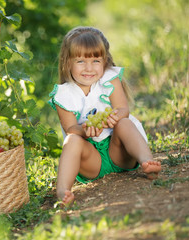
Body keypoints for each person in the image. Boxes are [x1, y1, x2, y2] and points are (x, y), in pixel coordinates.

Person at [48, 26, 162, 206]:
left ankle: (147, 161)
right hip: (92, 161)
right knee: (72, 140)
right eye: (80, 61)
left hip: (120, 152)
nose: (89, 68)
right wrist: (84, 131)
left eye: (95, 60)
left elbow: (123, 108)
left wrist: (115, 117)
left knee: (124, 123)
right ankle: (63, 190)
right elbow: (70, 128)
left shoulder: (109, 79)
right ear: (67, 62)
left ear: (104, 60)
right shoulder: (63, 95)